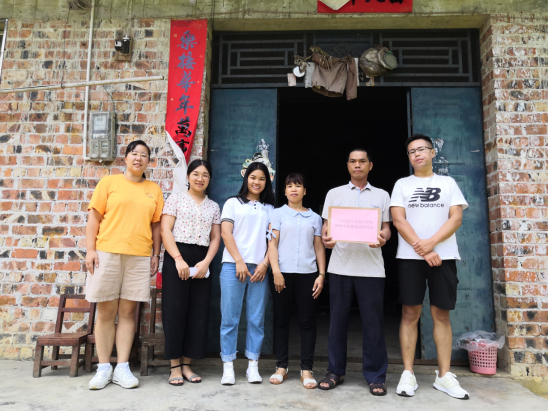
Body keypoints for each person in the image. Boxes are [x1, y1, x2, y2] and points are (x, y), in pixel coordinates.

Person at [391, 134, 470, 400]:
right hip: (410, 259)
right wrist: (423, 249)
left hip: (443, 257)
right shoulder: (402, 184)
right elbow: (398, 220)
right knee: (409, 313)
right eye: (412, 151)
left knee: (441, 315)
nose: (417, 154)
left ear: (433, 153)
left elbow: (456, 218)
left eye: (422, 149)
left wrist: (431, 244)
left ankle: (444, 375)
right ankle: (408, 373)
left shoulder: (448, 183)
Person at [85, 140, 164, 390]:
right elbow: (93, 218)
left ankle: (122, 367)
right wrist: (90, 250)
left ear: (149, 162)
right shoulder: (109, 183)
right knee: (106, 312)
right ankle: (103, 367)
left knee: (129, 313)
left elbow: (156, 226)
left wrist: (156, 254)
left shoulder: (154, 189)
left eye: (144, 155)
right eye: (134, 153)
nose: (138, 158)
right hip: (107, 253)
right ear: (126, 158)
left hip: (139, 255)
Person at [319, 148, 392, 396]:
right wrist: (327, 240)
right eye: (353, 161)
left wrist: (383, 238)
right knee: (337, 321)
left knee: (373, 324)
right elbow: (326, 228)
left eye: (362, 161)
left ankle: (375, 376)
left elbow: (386, 228)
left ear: (370, 165)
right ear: (347, 165)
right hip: (340, 266)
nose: (357, 165)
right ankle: (335, 371)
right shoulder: (334, 193)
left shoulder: (382, 195)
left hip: (372, 268)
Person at [160, 159, 221, 386]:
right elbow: (165, 230)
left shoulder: (213, 206)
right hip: (177, 256)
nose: (200, 178)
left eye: (205, 175)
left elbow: (216, 237)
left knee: (198, 312)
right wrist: (178, 259)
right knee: (175, 311)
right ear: (187, 177)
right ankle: (175, 366)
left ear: (209, 179)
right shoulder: (175, 199)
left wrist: (206, 262)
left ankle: (187, 365)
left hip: (202, 259)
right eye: (196, 174)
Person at [267, 174, 326, 389]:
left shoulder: (315, 218)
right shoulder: (277, 214)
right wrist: (276, 271)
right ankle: (281, 366)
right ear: (284, 191)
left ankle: (306, 369)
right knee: (281, 320)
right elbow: (272, 245)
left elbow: (319, 247)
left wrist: (321, 275)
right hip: (282, 274)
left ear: (305, 191)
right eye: (289, 186)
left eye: (298, 185)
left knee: (307, 322)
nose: (294, 189)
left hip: (308, 274)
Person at [219, 162, 275, 386]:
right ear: (246, 178)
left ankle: (253, 365)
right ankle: (228, 366)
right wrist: (239, 261)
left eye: (262, 178)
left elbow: (273, 241)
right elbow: (226, 233)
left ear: (267, 181)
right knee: (230, 318)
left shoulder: (270, 209)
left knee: (256, 319)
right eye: (253, 177)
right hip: (233, 266)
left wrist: (265, 264)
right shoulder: (232, 203)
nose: (257, 182)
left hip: (260, 268)